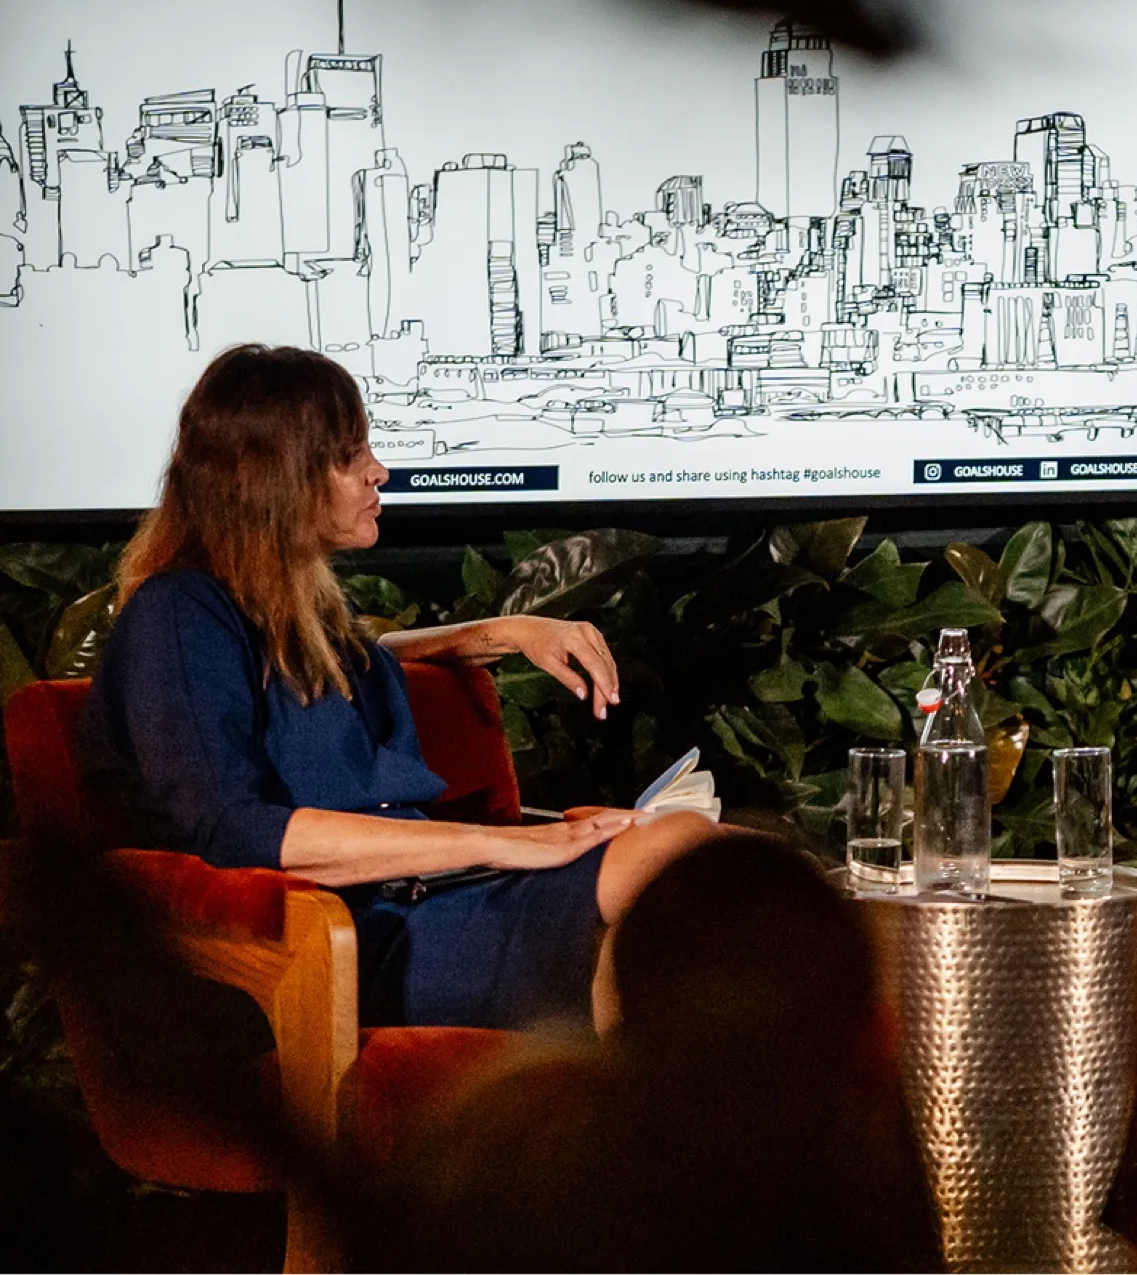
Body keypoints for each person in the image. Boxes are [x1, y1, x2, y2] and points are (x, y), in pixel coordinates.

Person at [79, 344, 716, 1032]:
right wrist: (502, 843)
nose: (378, 471)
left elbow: (360, 659)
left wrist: (503, 631)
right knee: (671, 866)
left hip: (434, 899)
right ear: (272, 478)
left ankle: (659, 1122)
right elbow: (232, 827)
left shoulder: (295, 614)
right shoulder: (180, 614)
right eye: (349, 456)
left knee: (705, 859)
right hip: (355, 936)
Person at [358, 833, 943, 1272]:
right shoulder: (863, 1168)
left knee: (684, 837)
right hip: (421, 907)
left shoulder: (508, 1155)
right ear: (879, 1036)